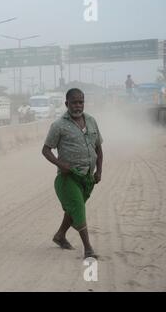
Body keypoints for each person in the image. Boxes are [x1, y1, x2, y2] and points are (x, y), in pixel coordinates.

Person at [42, 88, 103, 259]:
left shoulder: (91, 121)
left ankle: (60, 236)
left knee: (73, 210)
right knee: (78, 208)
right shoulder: (58, 125)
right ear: (66, 104)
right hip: (68, 178)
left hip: (87, 178)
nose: (78, 106)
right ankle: (88, 249)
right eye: (74, 102)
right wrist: (60, 164)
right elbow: (46, 150)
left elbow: (98, 147)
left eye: (81, 102)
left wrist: (99, 170)